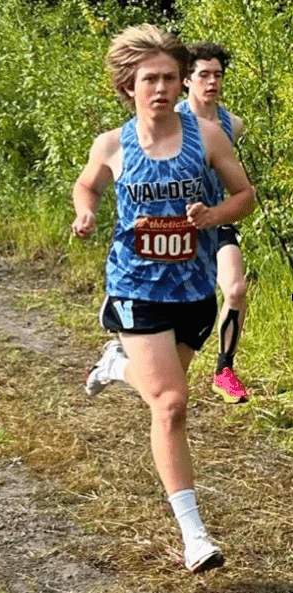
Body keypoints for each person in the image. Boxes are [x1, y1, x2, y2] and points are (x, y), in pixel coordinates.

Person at [71, 25, 254, 574]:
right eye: (149, 78)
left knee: (162, 398)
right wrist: (86, 211)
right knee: (172, 404)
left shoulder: (209, 136)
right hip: (136, 287)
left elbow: (244, 196)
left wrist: (213, 216)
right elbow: (88, 184)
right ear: (129, 86)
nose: (160, 88)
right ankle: (194, 535)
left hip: (193, 290)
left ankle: (116, 365)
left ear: (181, 83)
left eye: (169, 77)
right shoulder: (112, 143)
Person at [176, 43, 249, 404]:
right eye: (203, 75)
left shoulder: (232, 124)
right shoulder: (167, 118)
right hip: (171, 228)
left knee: (234, 288)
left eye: (217, 75)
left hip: (215, 219)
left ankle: (224, 369)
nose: (212, 82)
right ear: (186, 79)